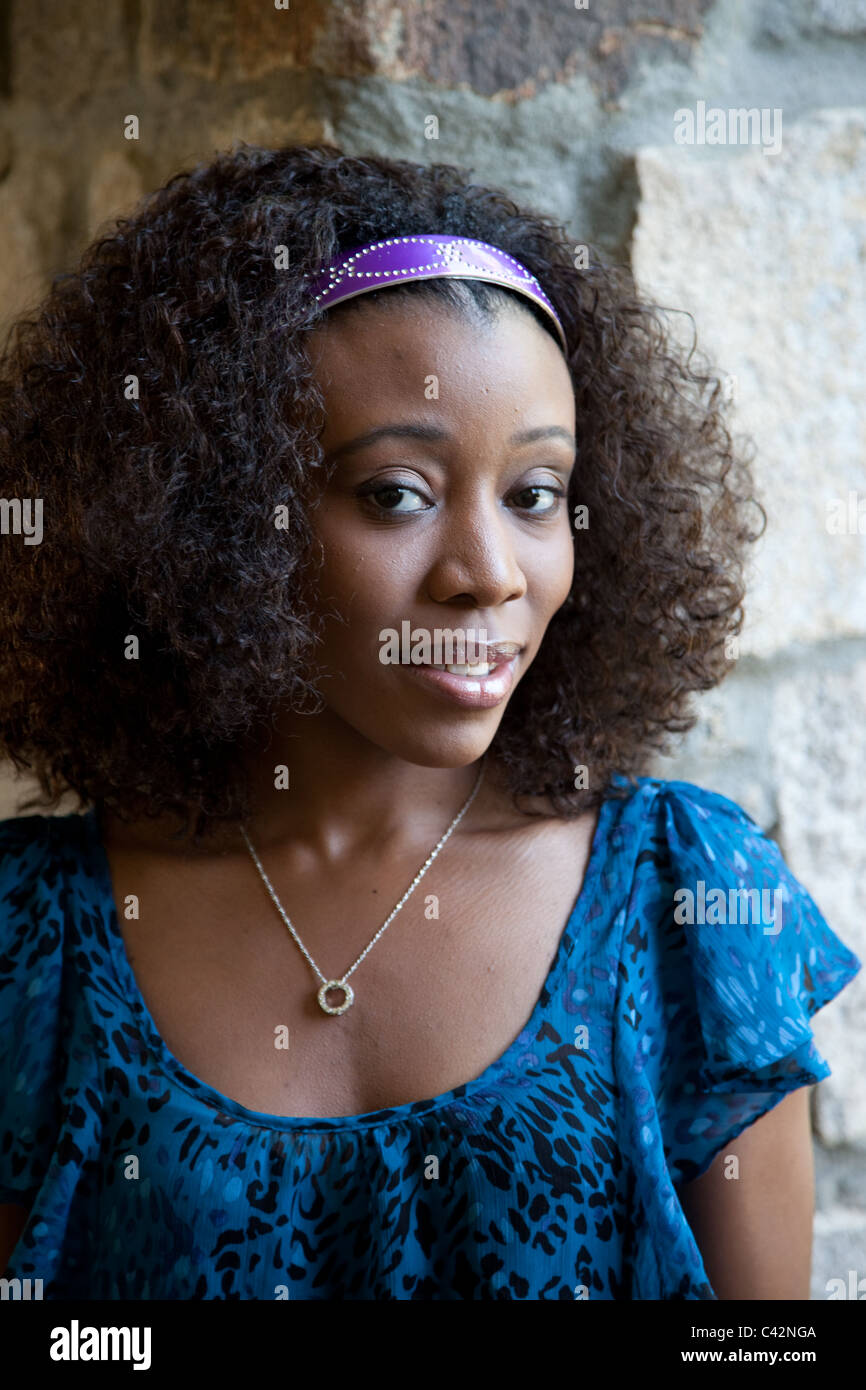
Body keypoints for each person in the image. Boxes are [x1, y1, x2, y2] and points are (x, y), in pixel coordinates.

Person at [0, 143, 859, 1301]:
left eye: (535, 495)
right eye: (395, 494)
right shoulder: (34, 940)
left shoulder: (683, 904)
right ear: (211, 520)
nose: (488, 573)